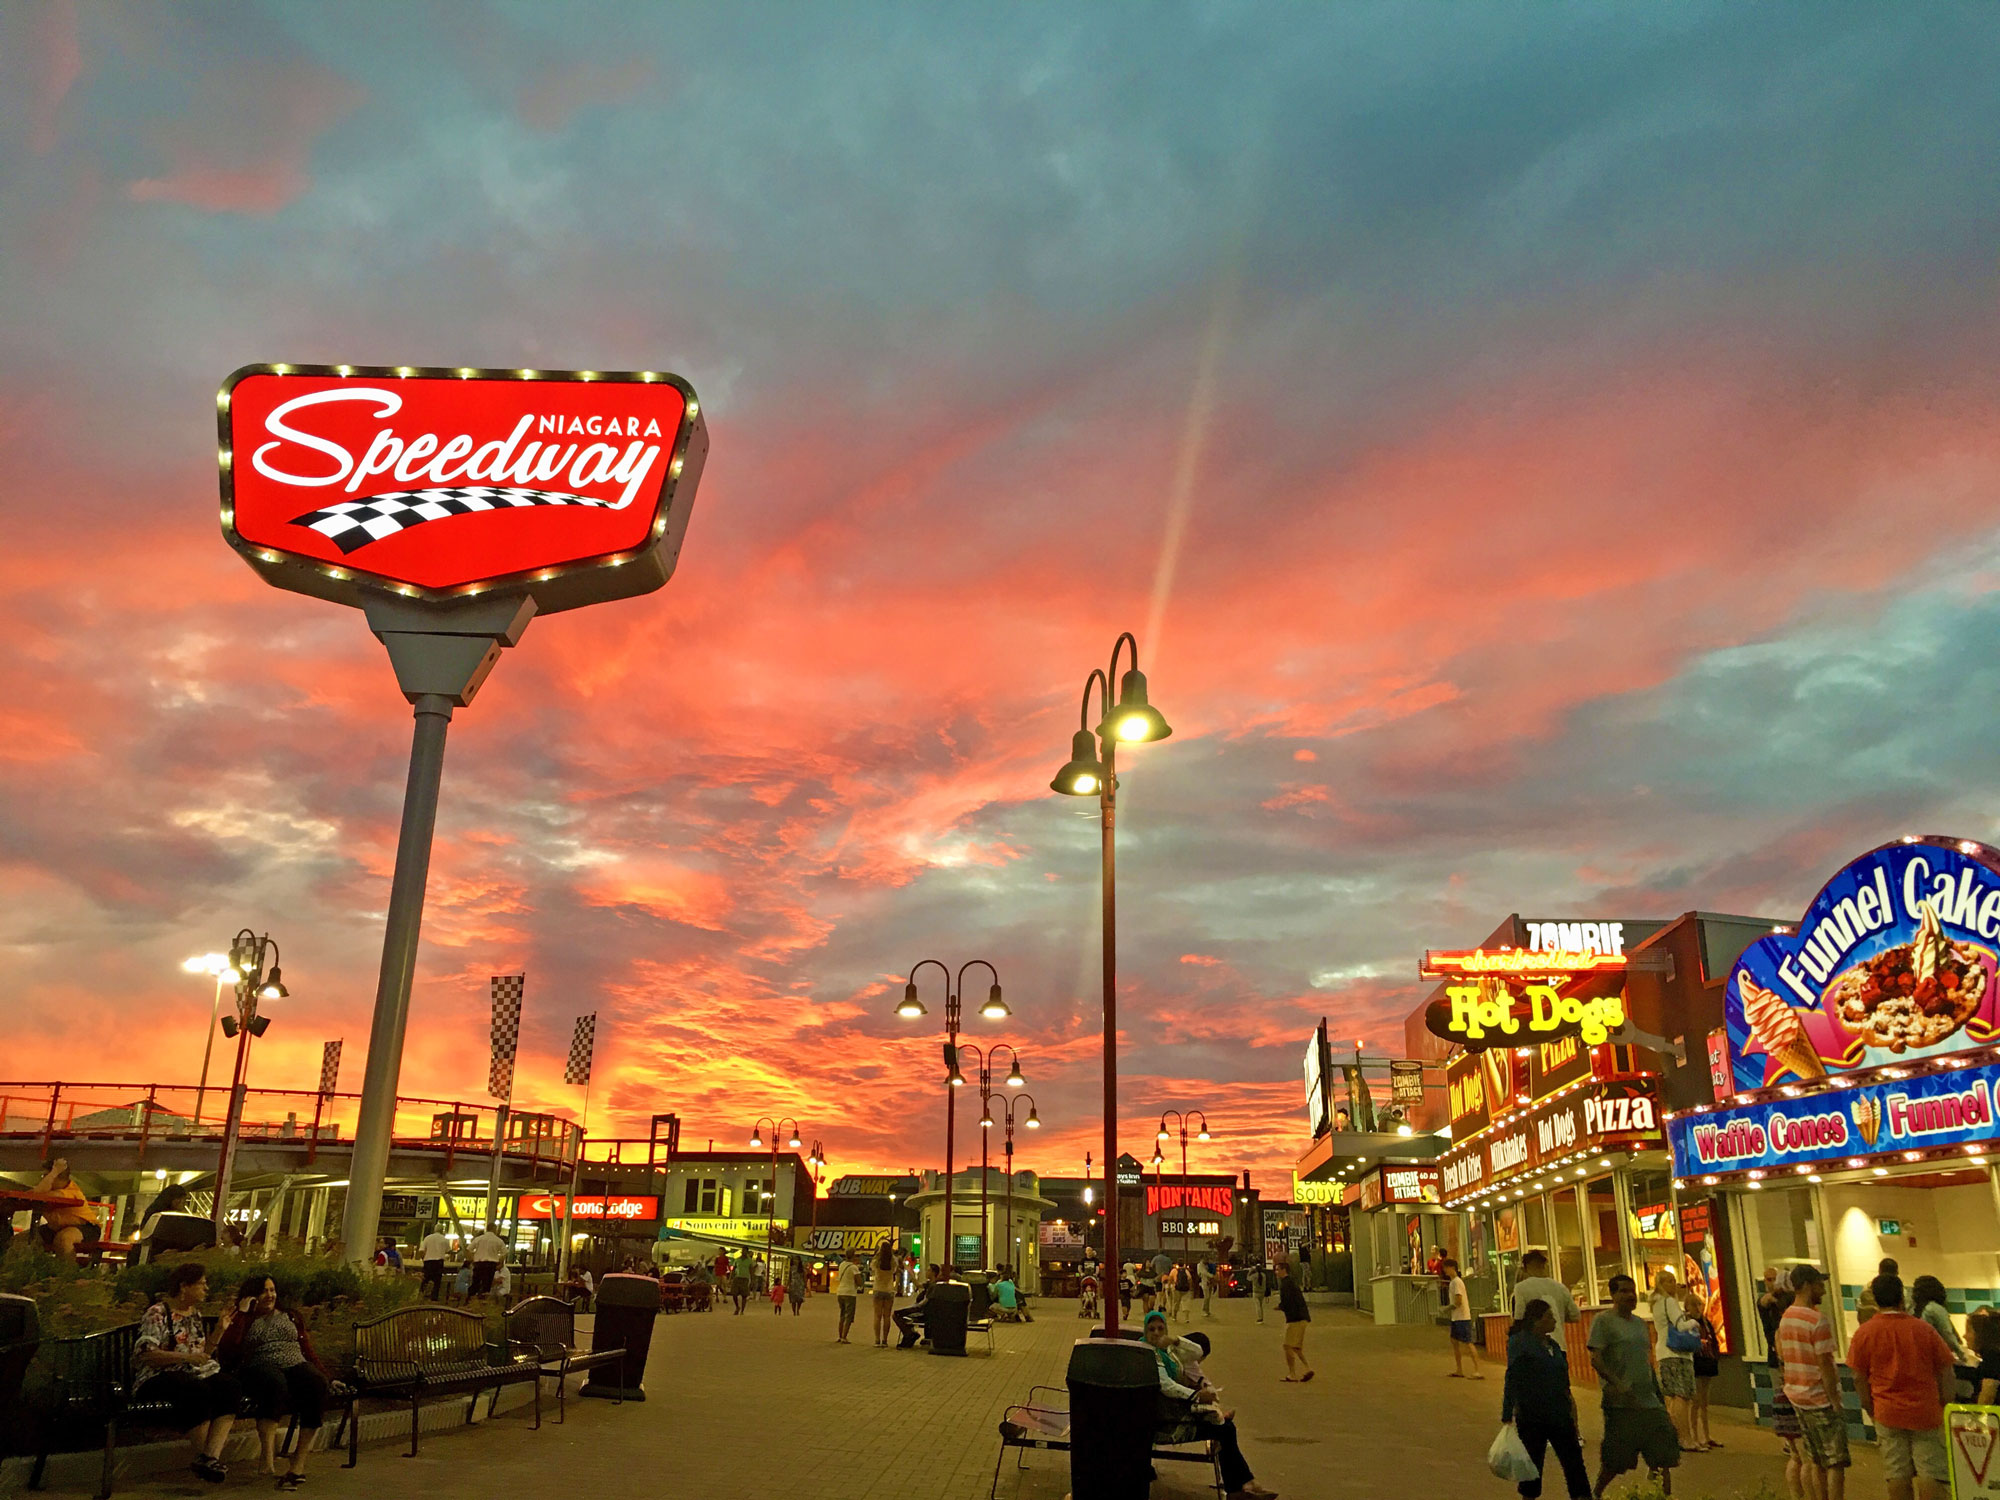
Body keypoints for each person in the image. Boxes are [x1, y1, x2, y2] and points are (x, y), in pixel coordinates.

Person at [1143, 1311, 1276, 1500]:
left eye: (1160, 1329)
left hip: (1172, 1413)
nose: (1156, 1333)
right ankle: (1241, 1486)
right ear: (1145, 1331)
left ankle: (1243, 1485)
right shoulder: (1150, 1354)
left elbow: (1197, 1352)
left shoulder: (1168, 1353)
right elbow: (1166, 1386)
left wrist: (1174, 1340)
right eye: (1151, 1329)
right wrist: (1197, 1396)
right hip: (1168, 1422)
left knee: (1225, 1427)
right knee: (1224, 1429)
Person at [217, 1273, 332, 1488]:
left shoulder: (290, 1315)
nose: (270, 1295)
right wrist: (242, 1314)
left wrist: (325, 1374)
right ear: (252, 1296)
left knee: (316, 1384)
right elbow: (229, 1349)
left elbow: (307, 1349)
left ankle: (298, 1463)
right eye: (264, 1291)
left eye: (272, 1290)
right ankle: (267, 1457)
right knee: (274, 1383)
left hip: (294, 1362)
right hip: (258, 1365)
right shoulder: (243, 1318)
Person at [132, 1261, 242, 1483]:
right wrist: (187, 1358)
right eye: (201, 1284)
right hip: (156, 1378)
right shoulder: (158, 1313)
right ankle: (205, 1458)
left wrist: (220, 1331)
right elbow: (147, 1355)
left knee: (230, 1387)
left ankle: (209, 1457)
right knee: (195, 1389)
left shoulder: (194, 1315)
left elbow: (203, 1354)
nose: (206, 1288)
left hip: (189, 1374)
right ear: (184, 1286)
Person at [1847, 1274, 1955, 1500]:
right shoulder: (1923, 1330)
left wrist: (1870, 1408)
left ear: (1876, 1300)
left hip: (1887, 1412)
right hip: (1925, 1412)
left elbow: (1858, 1377)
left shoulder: (1864, 1333)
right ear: (1902, 1297)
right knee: (1931, 1473)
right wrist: (1945, 1401)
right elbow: (1946, 1369)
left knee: (1897, 1473)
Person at [1588, 1272, 1679, 1498]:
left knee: (1662, 1454)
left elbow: (1646, 1362)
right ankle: (1595, 1493)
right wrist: (1617, 1384)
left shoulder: (1640, 1324)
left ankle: (1663, 1496)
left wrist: (1658, 1395)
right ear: (1612, 1294)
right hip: (1621, 1405)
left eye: (1632, 1291)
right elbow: (1596, 1358)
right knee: (1616, 1460)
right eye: (1623, 1291)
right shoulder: (1603, 1322)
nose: (1630, 1296)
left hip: (1649, 1401)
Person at [1503, 1298, 1590, 1500]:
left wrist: (1572, 1414)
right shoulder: (1521, 1343)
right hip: (1532, 1416)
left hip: (1560, 1415)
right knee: (1532, 1467)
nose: (1554, 1321)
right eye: (1549, 1316)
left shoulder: (1554, 1346)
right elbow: (1512, 1376)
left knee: (1574, 1463)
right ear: (1536, 1320)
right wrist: (1507, 1413)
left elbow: (1564, 1383)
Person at [1780, 1264, 1848, 1500]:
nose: (1824, 1290)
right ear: (1807, 1285)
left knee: (1815, 1458)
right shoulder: (1817, 1321)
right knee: (1835, 1462)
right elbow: (1826, 1365)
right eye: (1820, 1284)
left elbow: (1783, 1354)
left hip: (1797, 1397)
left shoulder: (1786, 1317)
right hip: (1819, 1398)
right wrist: (1835, 1401)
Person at [1760, 1270, 1805, 1500]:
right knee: (1806, 1458)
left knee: (1798, 1457)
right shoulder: (1784, 1329)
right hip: (1797, 1390)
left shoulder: (1773, 1321)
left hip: (1787, 1389)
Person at [1652, 1272, 1698, 1448]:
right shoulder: (1669, 1302)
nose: (1674, 1285)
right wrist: (1694, 1323)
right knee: (1682, 1396)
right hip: (1676, 1353)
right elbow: (1681, 1326)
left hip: (1664, 1353)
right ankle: (1684, 1438)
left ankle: (1674, 1436)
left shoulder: (1656, 1304)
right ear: (1662, 1284)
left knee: (1672, 1396)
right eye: (1670, 1281)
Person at [31, 1158, 100, 1262]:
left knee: (64, 1239)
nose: (42, 1180)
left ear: (55, 1177)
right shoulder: (50, 1191)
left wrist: (54, 1172)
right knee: (21, 1240)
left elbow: (38, 1194)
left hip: (86, 1226)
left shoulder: (70, 1192)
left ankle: (67, 1274)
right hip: (57, 1227)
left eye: (45, 1176)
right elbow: (33, 1194)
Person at [1684, 1284, 1722, 1453]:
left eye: (1700, 1305)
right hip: (1696, 1363)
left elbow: (1713, 1340)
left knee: (1705, 1402)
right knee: (1695, 1401)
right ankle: (1695, 1435)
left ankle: (1707, 1435)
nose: (1699, 1308)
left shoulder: (1706, 1322)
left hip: (1708, 1362)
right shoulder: (1687, 1322)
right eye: (1696, 1305)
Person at [1514, 1248, 1582, 1326]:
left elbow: (1519, 1317)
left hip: (1534, 1336)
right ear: (1544, 1266)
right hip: (1558, 1337)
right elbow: (1575, 1316)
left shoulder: (1520, 1288)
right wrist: (1559, 1316)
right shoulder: (1560, 1287)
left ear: (1525, 1268)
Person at [1911, 1276, 1969, 1366]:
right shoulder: (1936, 1309)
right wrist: (1962, 1355)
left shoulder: (1912, 1310)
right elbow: (1947, 1334)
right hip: (1936, 1359)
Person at [1276, 1254, 1313, 1382]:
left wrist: (1280, 1307)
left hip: (1295, 1319)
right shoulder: (1292, 1282)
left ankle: (1292, 1374)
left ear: (1283, 1270)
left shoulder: (1285, 1284)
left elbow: (1287, 1301)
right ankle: (1307, 1368)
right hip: (1303, 1317)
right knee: (1296, 1347)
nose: (1276, 1272)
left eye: (1277, 1269)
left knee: (1287, 1346)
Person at [1445, 1258, 1482, 1379]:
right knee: (1455, 1341)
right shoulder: (1453, 1282)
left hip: (1462, 1317)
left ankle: (1477, 1370)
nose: (1445, 1270)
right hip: (1456, 1317)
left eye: (1446, 1268)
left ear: (1452, 1268)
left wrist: (1447, 1308)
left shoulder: (1456, 1282)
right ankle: (1459, 1369)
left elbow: (1458, 1301)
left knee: (1468, 1342)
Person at [466, 1225, 505, 1302]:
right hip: (491, 1264)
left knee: (475, 1282)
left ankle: (470, 1300)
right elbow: (505, 1252)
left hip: (479, 1263)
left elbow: (469, 1249)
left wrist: (473, 1259)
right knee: (487, 1284)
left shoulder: (479, 1239)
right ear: (495, 1229)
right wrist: (500, 1262)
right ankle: (483, 1301)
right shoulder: (498, 1240)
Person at [871, 1241, 898, 1346]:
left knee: (877, 1316)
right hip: (889, 1290)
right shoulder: (893, 1261)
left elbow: (872, 1268)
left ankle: (877, 1340)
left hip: (878, 1289)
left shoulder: (877, 1261)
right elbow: (895, 1270)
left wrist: (877, 1253)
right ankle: (885, 1340)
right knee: (887, 1316)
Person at [832, 1250, 861, 1343]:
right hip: (850, 1293)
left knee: (842, 1315)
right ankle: (844, 1337)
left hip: (840, 1292)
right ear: (853, 1255)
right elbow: (859, 1281)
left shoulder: (842, 1265)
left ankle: (840, 1336)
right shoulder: (853, 1267)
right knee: (849, 1316)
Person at [417, 1224, 451, 1300]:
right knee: (437, 1282)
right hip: (439, 1263)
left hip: (428, 1262)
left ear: (434, 1229)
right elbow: (448, 1251)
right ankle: (434, 1298)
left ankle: (421, 1296)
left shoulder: (427, 1238)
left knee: (425, 1280)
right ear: (442, 1230)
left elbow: (421, 1251)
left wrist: (424, 1259)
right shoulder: (445, 1239)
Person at [731, 1250, 754, 1314]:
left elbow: (751, 1270)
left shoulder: (749, 1261)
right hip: (737, 1277)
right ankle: (737, 1306)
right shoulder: (737, 1260)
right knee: (734, 1293)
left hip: (745, 1278)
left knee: (744, 1295)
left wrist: (752, 1280)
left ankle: (742, 1310)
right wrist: (731, 1278)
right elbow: (733, 1269)